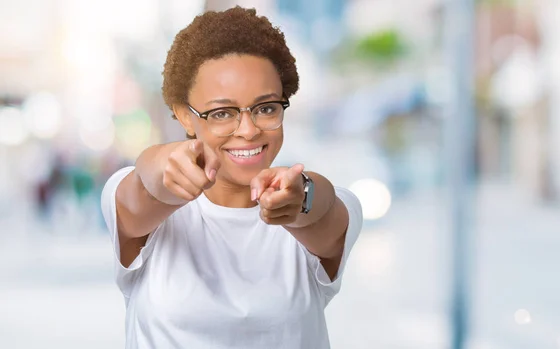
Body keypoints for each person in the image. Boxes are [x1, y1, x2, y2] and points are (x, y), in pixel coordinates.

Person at [101, 6, 363, 349]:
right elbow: (145, 186)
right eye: (222, 113)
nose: (248, 129)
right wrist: (162, 161)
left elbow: (322, 204)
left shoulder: (312, 208)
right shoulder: (146, 213)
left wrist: (300, 198)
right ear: (185, 115)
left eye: (266, 108)